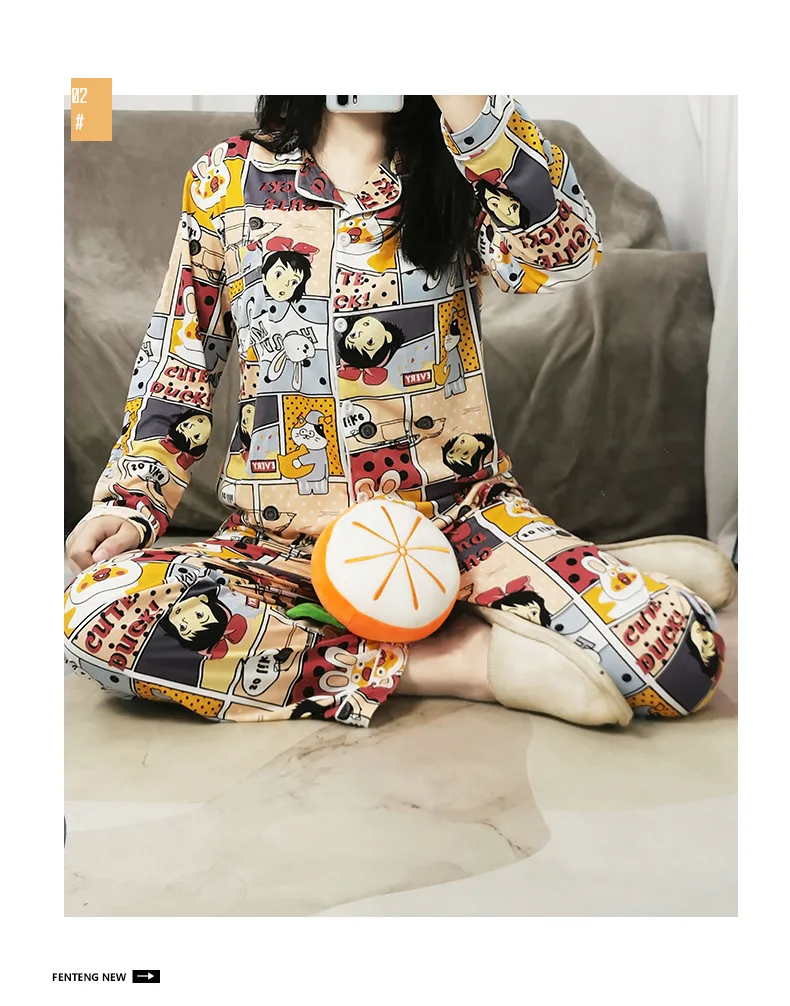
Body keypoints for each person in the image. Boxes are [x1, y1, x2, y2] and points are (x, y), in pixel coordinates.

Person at [65, 95, 735, 729]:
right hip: (281, 547)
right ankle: (465, 656)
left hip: (459, 526)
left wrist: (466, 103)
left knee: (681, 659)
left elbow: (563, 255)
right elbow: (181, 359)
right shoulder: (227, 178)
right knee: (94, 613)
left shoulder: (462, 166)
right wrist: (129, 502)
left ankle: (543, 570)